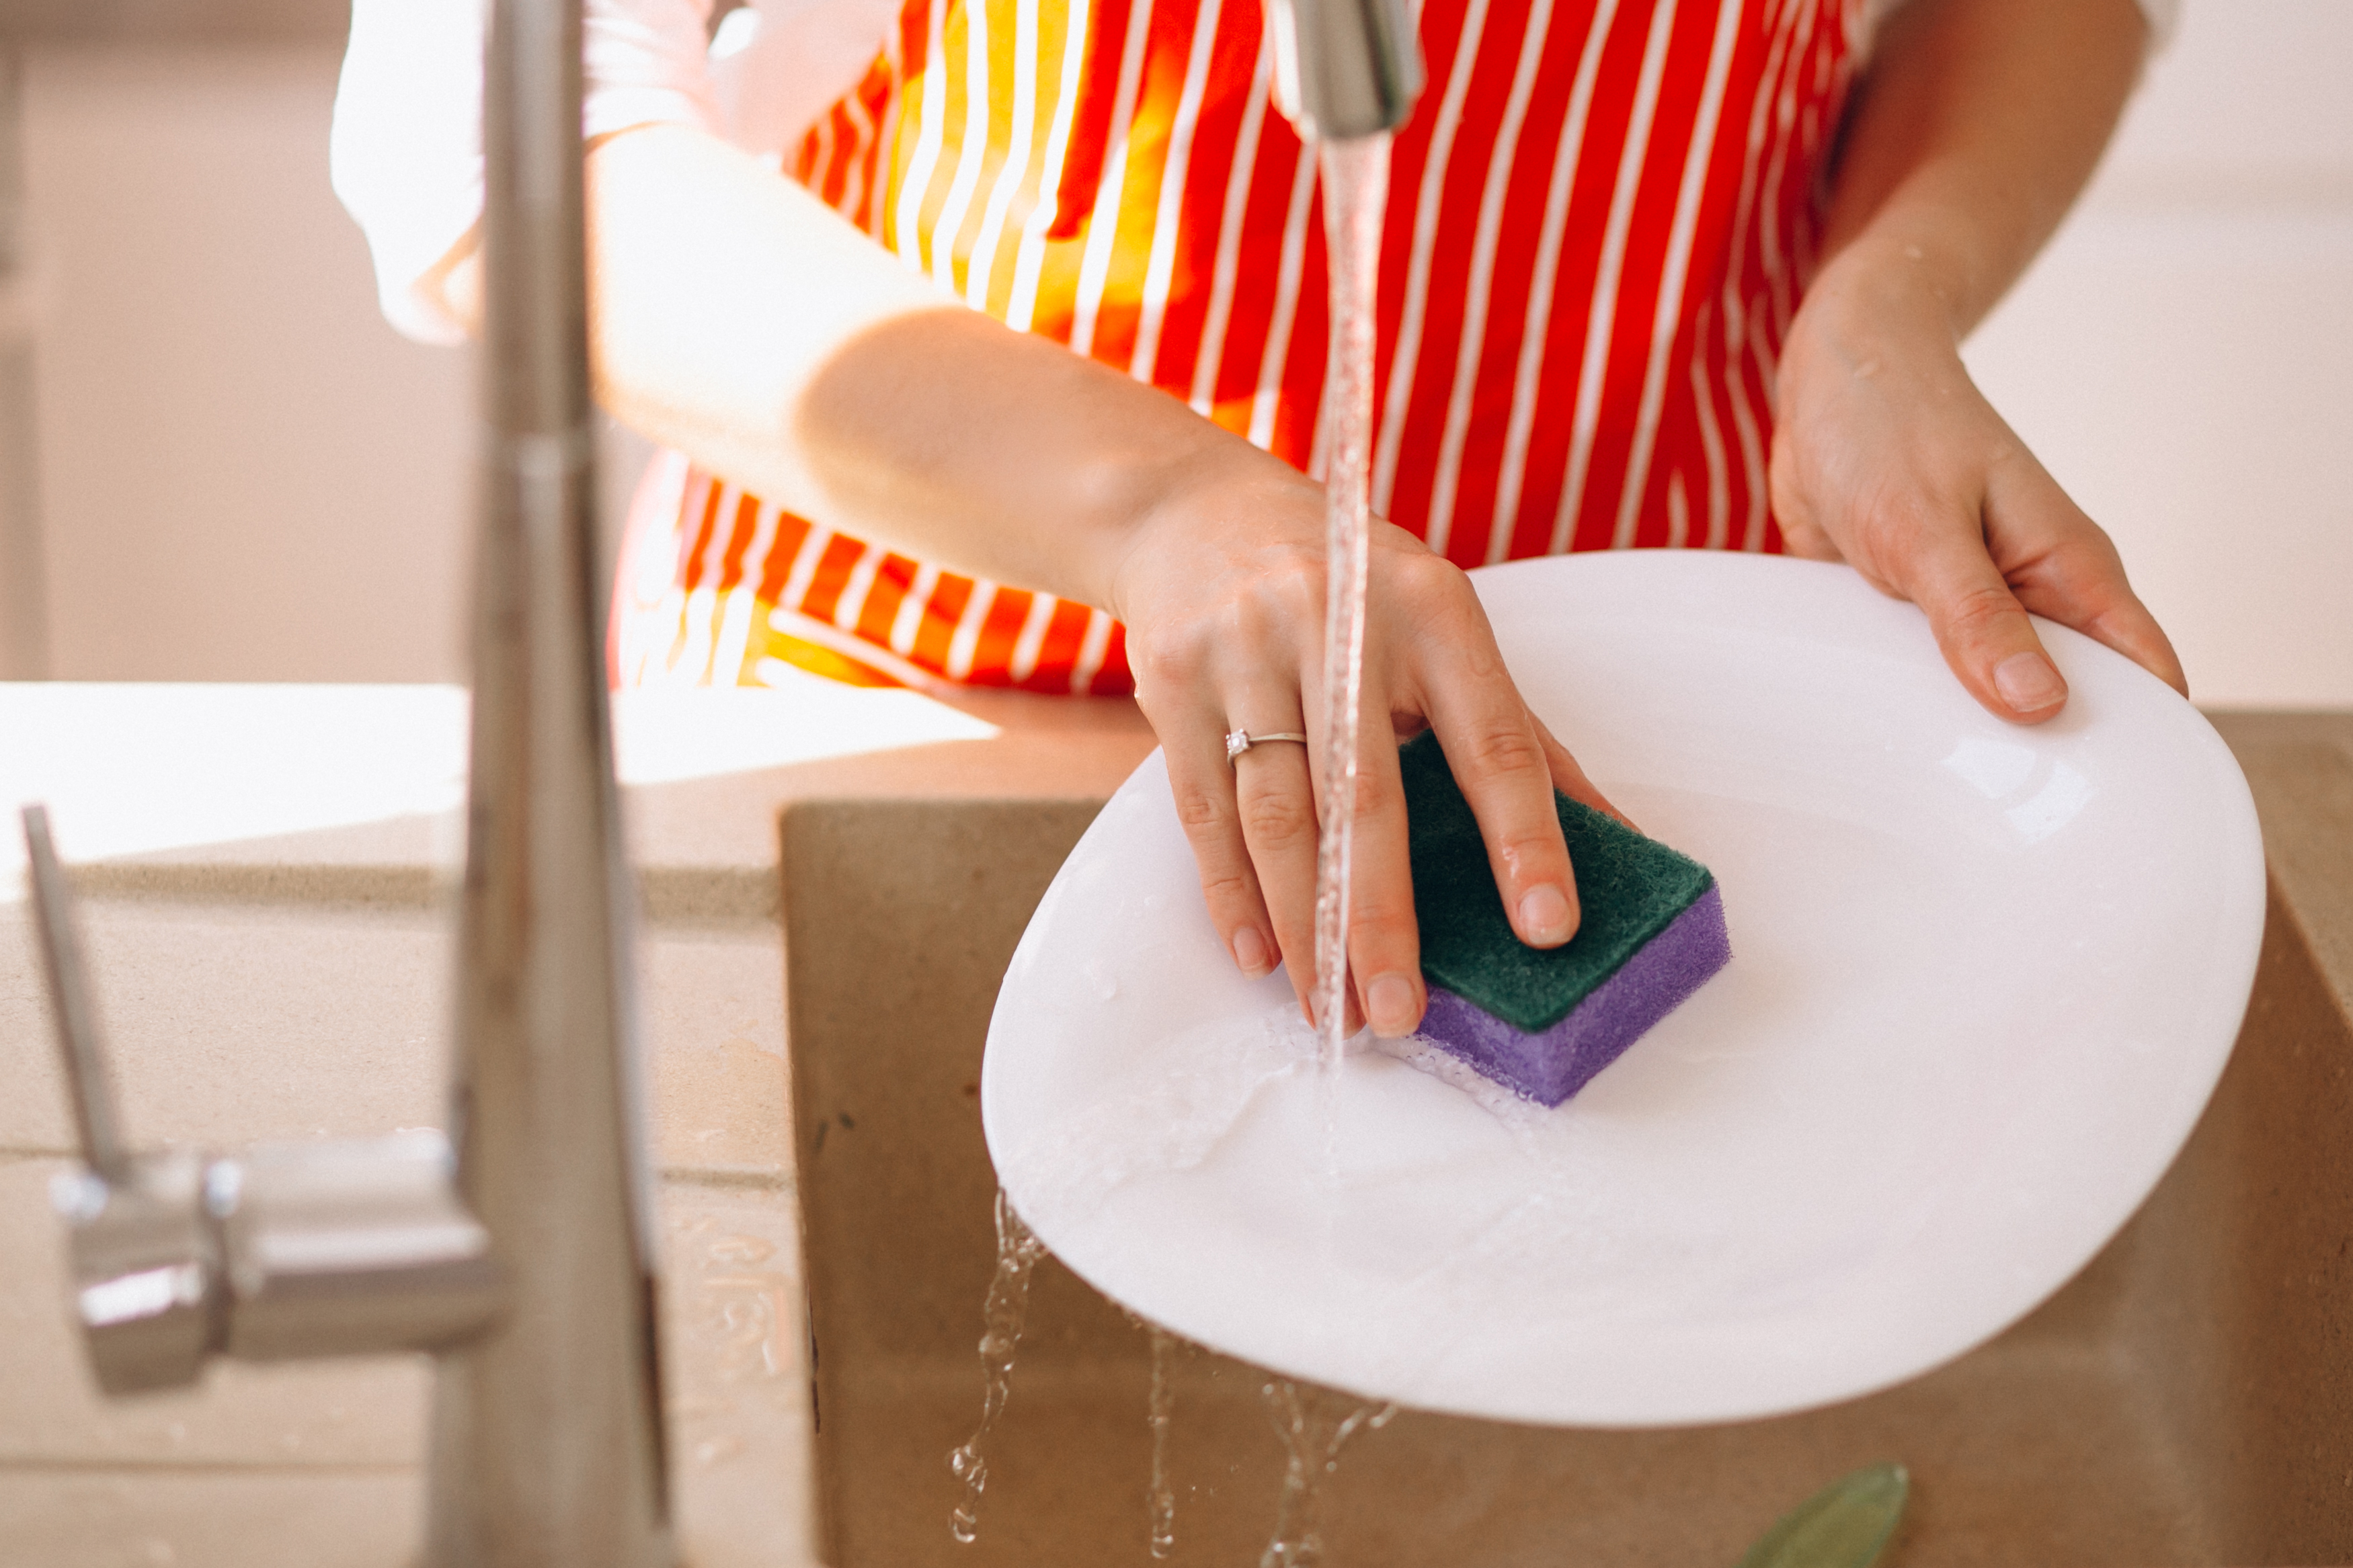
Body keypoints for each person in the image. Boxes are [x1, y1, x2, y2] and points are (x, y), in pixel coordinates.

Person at [333, 0, 2188, 1039]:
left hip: (1630, 761)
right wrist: (1152, 501)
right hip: (905, 719)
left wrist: (1881, 296)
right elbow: (497, 141)